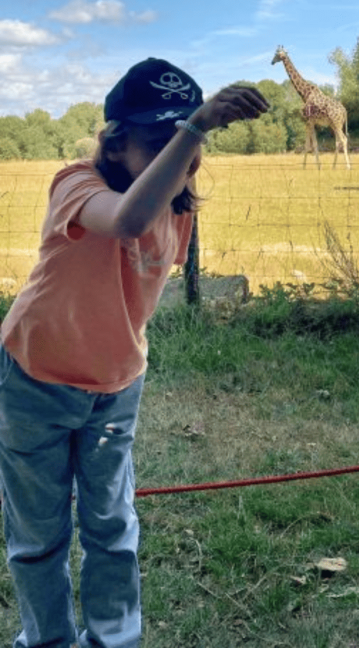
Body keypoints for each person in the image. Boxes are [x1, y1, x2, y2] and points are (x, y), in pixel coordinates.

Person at [0, 57, 269, 648]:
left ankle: (114, 640)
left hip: (115, 389)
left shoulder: (178, 210)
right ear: (116, 144)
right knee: (38, 535)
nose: (184, 152)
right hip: (34, 380)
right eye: (163, 139)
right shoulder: (77, 183)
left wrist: (181, 145)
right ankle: (46, 640)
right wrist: (197, 127)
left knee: (112, 526)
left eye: (187, 138)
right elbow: (126, 220)